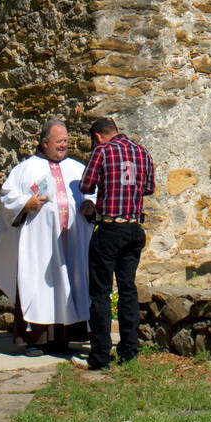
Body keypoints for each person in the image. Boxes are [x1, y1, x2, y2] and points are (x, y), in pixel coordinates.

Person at [0, 117, 96, 354]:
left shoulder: (78, 169)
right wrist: (27, 202)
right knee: (38, 287)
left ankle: (65, 339)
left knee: (70, 285)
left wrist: (90, 206)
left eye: (66, 141)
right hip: (40, 246)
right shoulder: (25, 169)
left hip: (72, 244)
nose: (63, 146)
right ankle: (36, 340)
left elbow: (94, 195)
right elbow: (7, 198)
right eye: (58, 141)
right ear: (45, 142)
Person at [73, 117, 155, 372]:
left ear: (98, 136)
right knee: (128, 289)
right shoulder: (142, 152)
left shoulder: (103, 151)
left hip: (109, 227)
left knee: (101, 292)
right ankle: (129, 350)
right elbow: (149, 188)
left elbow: (86, 185)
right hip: (133, 228)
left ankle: (99, 355)